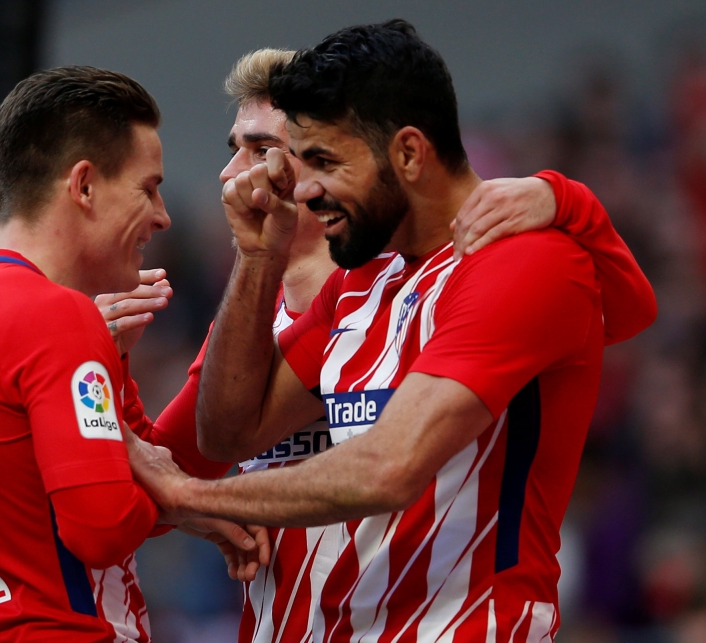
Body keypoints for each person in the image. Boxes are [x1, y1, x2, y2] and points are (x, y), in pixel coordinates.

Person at [126, 21, 657, 643]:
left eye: (321, 160)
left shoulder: (525, 261)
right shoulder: (360, 284)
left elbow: (387, 470)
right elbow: (226, 434)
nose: (304, 186)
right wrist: (258, 257)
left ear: (407, 153)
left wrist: (193, 497)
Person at [0, 66, 261, 642]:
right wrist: (164, 483)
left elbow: (86, 489)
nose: (163, 214)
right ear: (83, 186)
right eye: (148, 187)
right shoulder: (55, 315)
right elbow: (105, 528)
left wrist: (120, 401)